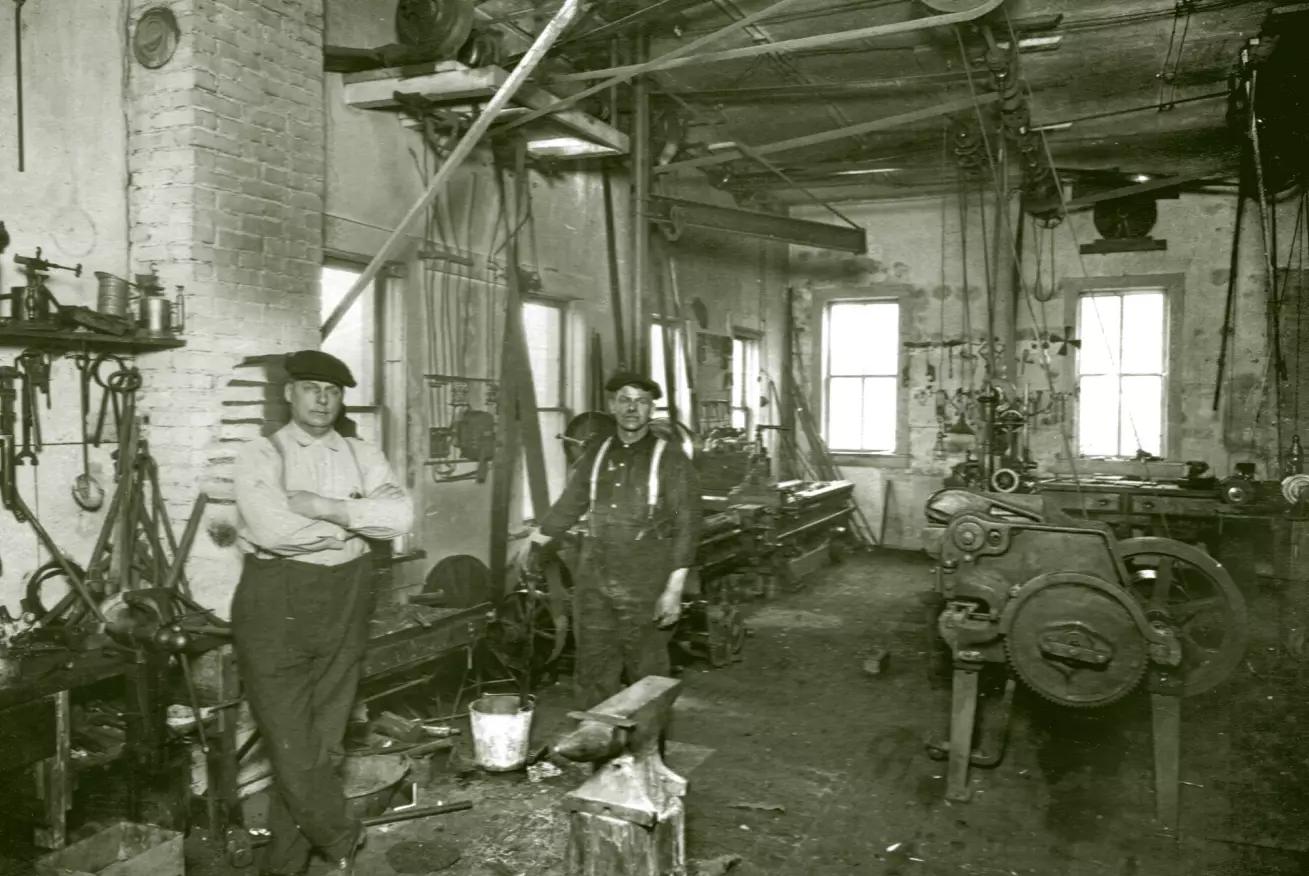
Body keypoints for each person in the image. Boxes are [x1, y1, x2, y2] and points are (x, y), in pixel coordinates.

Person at [232, 350, 413, 875]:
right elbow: (272, 531)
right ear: (289, 393)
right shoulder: (261, 453)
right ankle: (339, 833)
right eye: (310, 388)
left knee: (328, 739)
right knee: (292, 743)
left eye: (332, 391)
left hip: (346, 599)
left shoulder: (361, 453)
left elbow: (400, 516)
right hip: (275, 603)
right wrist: (355, 525)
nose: (322, 399)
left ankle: (285, 868)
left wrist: (330, 508)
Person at [533, 371, 701, 707]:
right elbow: (572, 501)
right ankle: (600, 754)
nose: (632, 408)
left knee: (648, 676)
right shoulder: (596, 453)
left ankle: (645, 756)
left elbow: (688, 526)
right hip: (594, 577)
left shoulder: (670, 458)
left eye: (641, 401)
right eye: (625, 400)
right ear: (612, 406)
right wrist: (538, 537)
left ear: (651, 409)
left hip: (646, 578)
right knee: (593, 670)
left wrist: (673, 591)